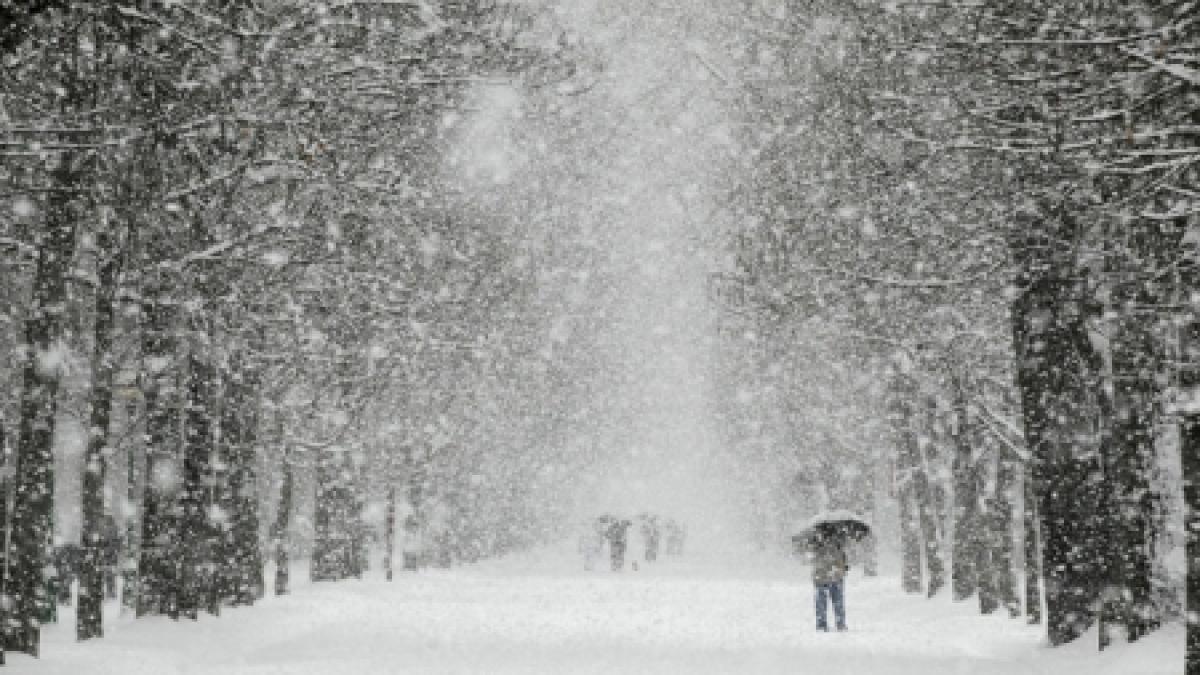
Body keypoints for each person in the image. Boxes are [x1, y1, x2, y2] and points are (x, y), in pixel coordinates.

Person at [809, 533, 849, 631]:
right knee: (838, 601)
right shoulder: (839, 538)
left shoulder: (816, 539)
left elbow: (812, 558)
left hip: (821, 575)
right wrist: (844, 566)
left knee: (821, 602)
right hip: (834, 574)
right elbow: (843, 558)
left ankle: (822, 624)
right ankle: (840, 623)